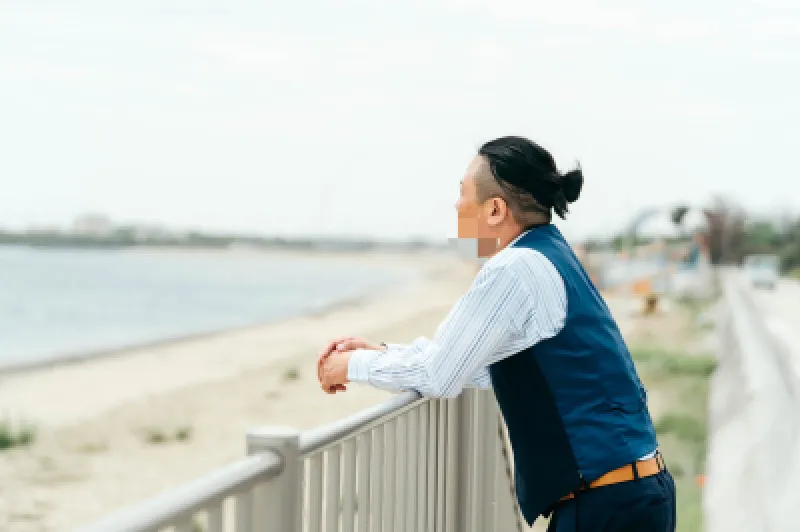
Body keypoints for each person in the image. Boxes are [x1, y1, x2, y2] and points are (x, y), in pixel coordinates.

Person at [317, 136, 676, 531]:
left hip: (607, 505)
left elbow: (441, 374)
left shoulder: (514, 269)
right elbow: (481, 365)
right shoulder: (552, 254)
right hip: (635, 491)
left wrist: (350, 365)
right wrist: (385, 352)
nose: (455, 205)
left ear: (494, 209)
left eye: (461, 192)